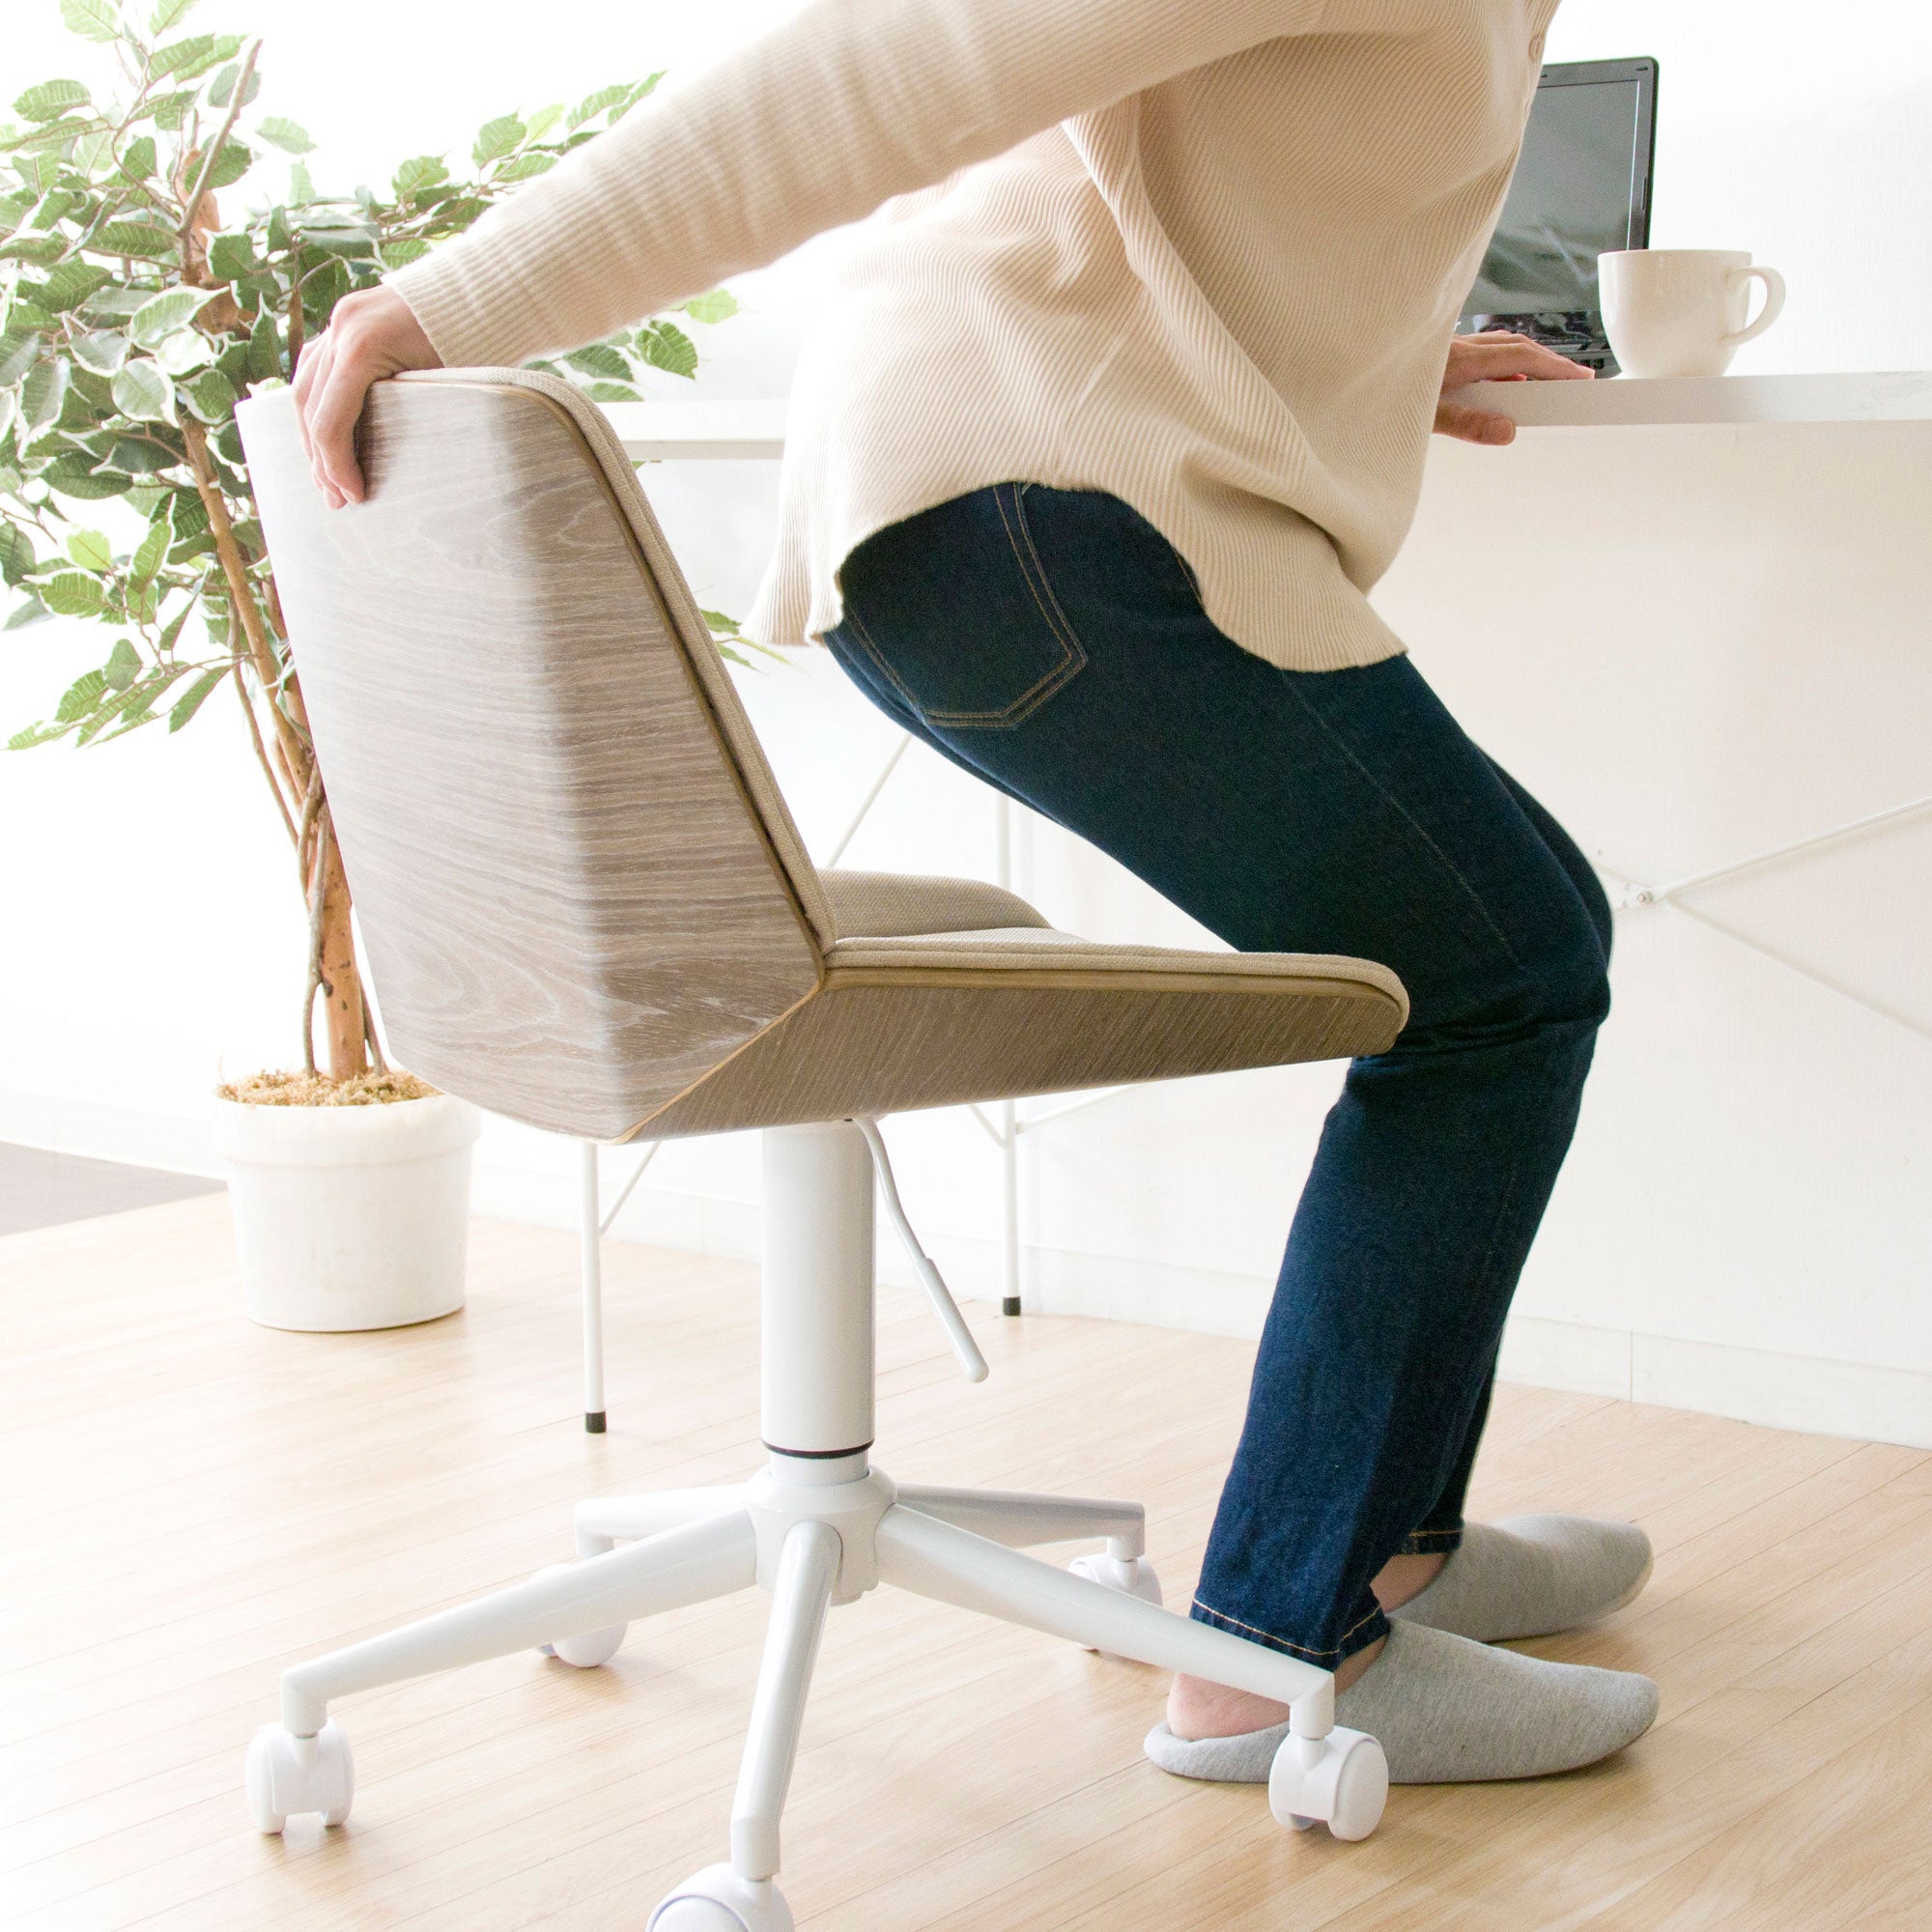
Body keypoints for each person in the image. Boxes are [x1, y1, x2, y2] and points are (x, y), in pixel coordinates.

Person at [295, 0, 1661, 1785]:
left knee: (1517, 943)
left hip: (1025, 508)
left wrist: (1392, 357)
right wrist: (455, 303)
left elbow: (1179, 189)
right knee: (1504, 973)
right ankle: (1278, 1652)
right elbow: (902, 57)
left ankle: (1392, 1542)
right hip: (1050, 513)